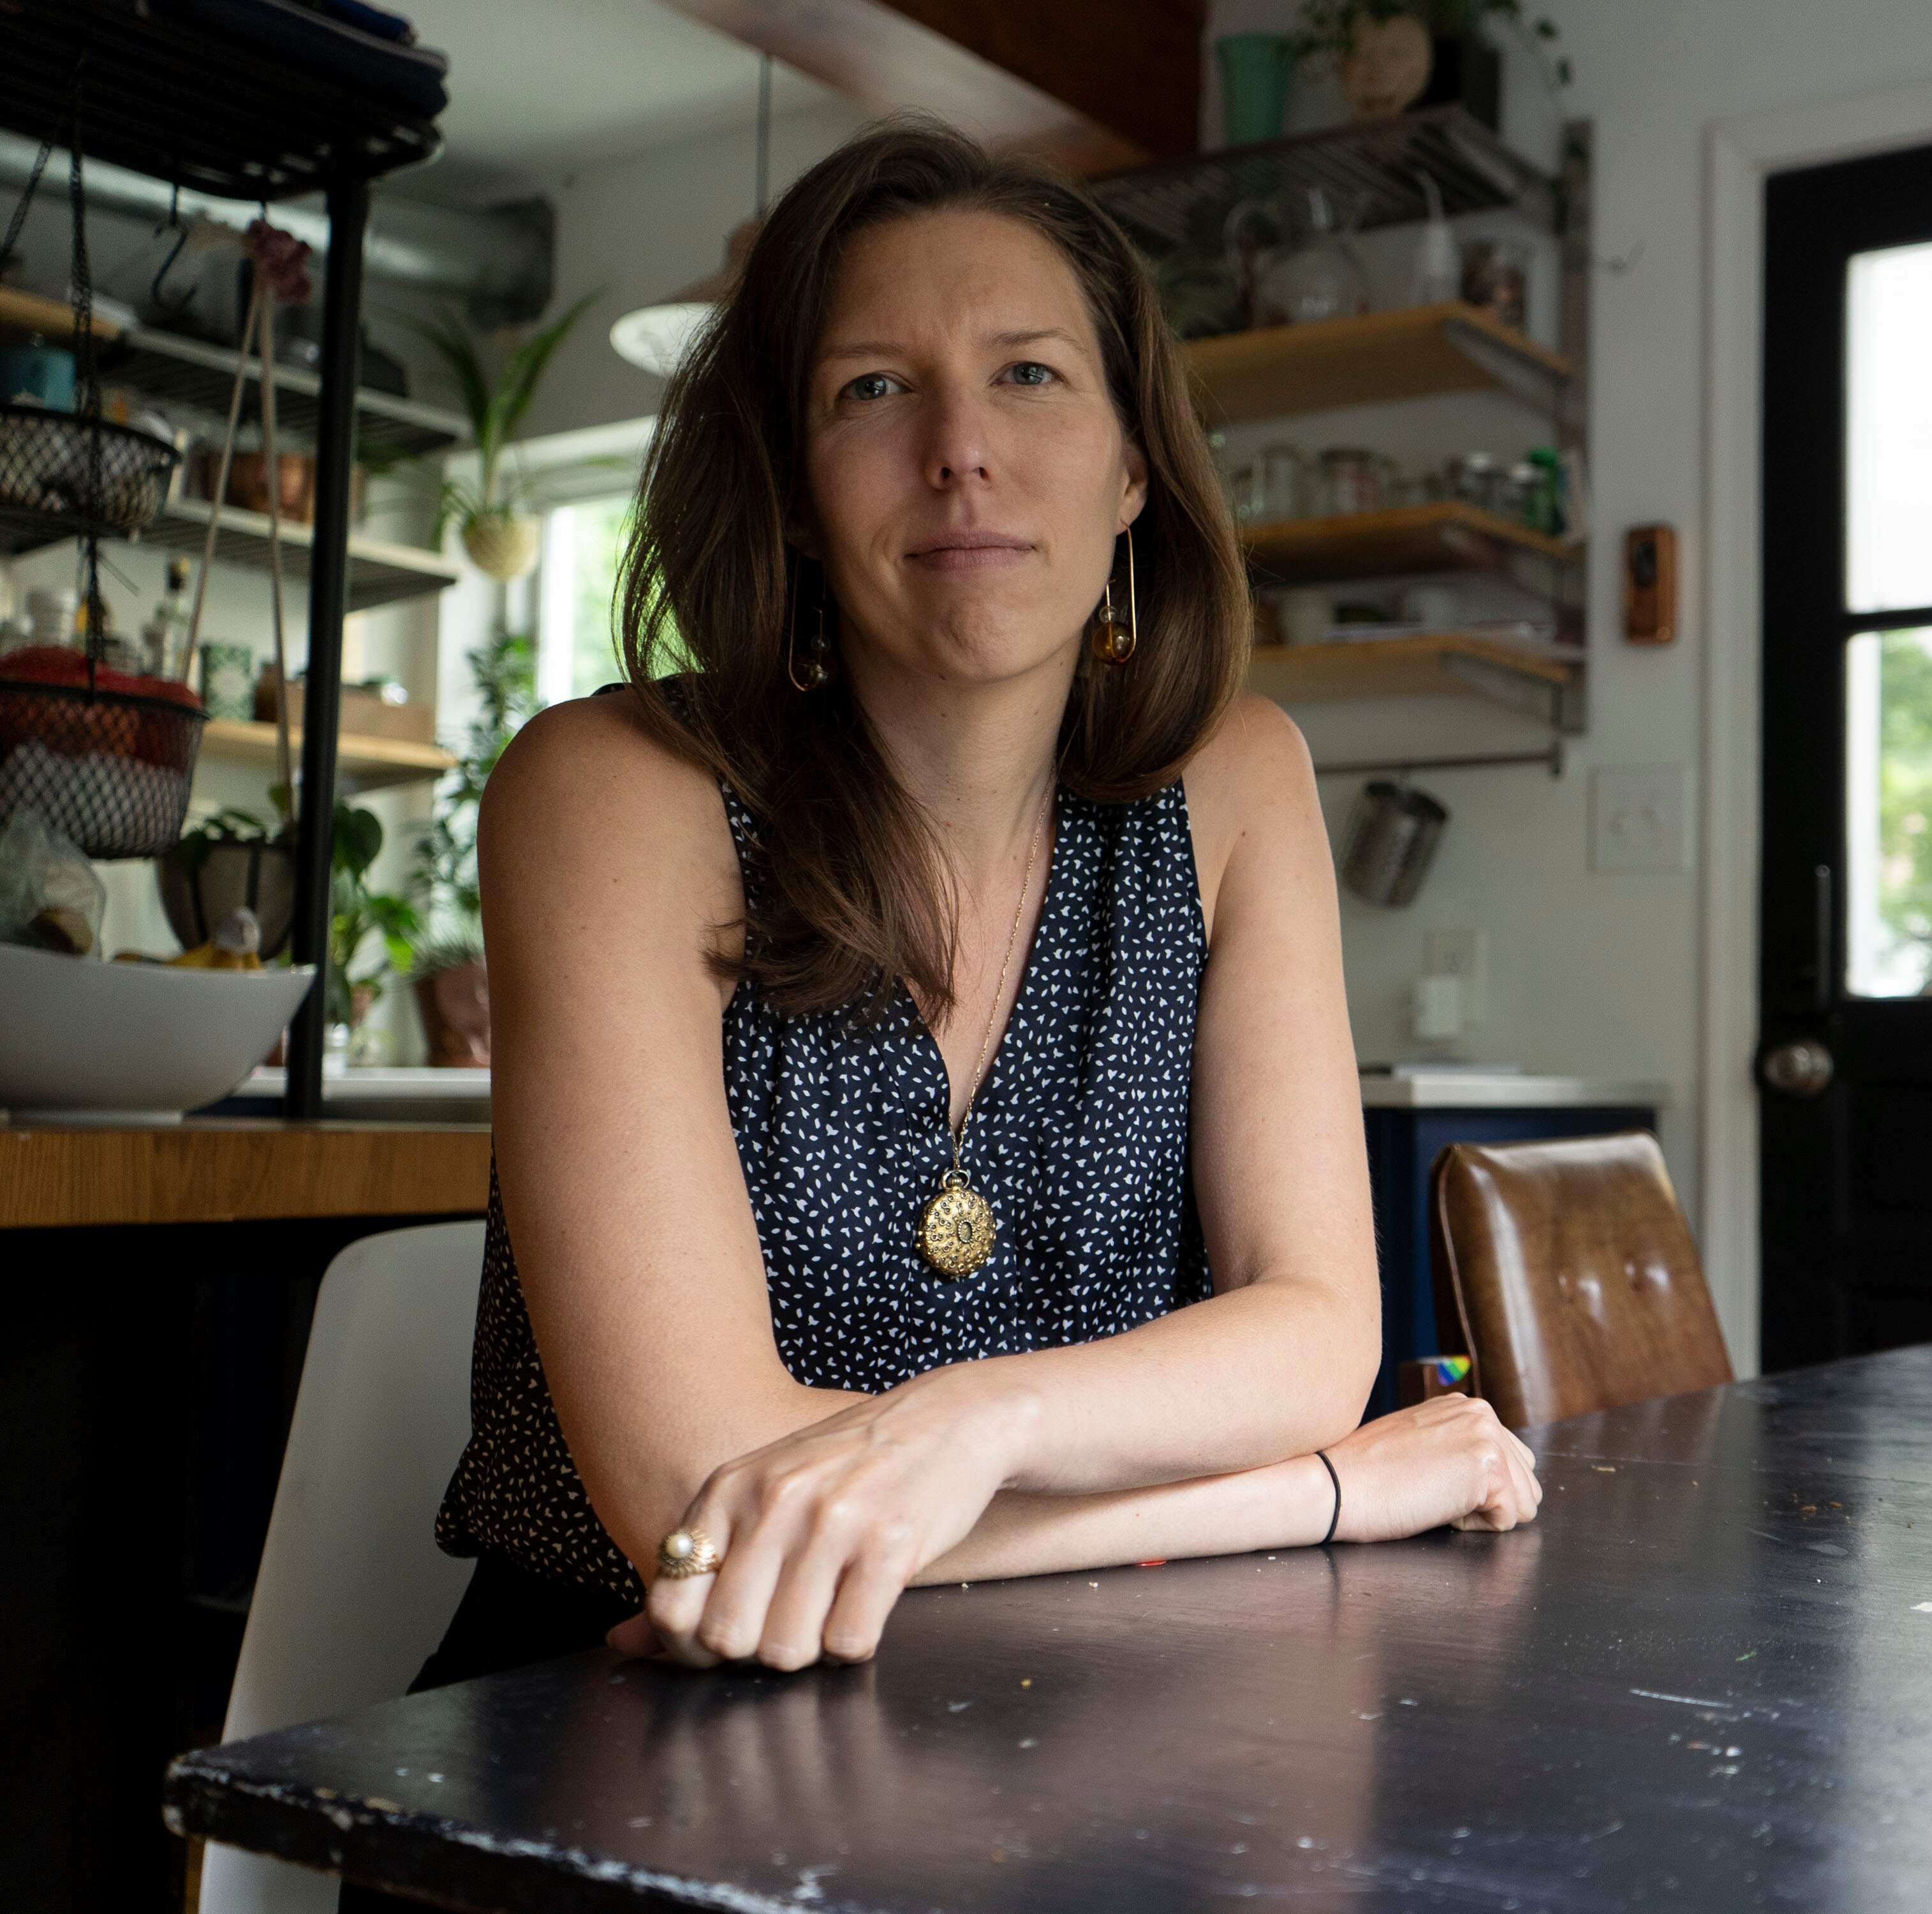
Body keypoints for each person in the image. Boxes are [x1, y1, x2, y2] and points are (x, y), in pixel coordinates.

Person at [426, 117, 1542, 1687]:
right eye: (872, 389)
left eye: (1030, 373)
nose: (961, 444)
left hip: (1098, 1699)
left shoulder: (1236, 780)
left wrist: (979, 1420)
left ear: (1135, 464)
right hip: (629, 1712)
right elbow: (697, 1522)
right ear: (798, 493)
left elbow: (1311, 1332)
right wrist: (1324, 1495)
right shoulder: (611, 790)